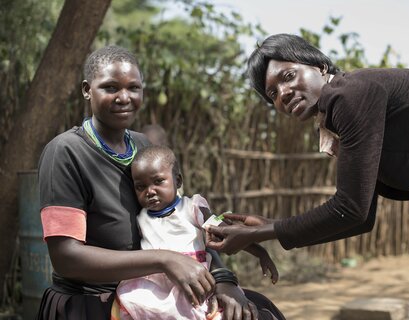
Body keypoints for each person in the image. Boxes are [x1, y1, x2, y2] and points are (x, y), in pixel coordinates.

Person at [205, 33, 409, 319]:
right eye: (272, 94)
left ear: (320, 67)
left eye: (288, 76)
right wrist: (270, 226)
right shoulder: (342, 111)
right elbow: (361, 218)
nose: (283, 93)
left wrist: (261, 232)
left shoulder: (351, 95)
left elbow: (350, 208)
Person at [36, 45, 285, 320]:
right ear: (87, 90)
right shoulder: (66, 152)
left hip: (161, 290)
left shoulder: (145, 148)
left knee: (258, 311)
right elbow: (65, 258)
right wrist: (164, 260)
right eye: (110, 88)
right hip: (94, 300)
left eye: (134, 88)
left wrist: (224, 279)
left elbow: (185, 222)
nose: (124, 97)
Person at [112, 145, 279, 319]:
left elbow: (227, 232)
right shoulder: (140, 217)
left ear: (178, 181)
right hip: (156, 288)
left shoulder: (192, 208)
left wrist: (260, 252)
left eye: (158, 181)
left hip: (196, 282)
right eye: (140, 187)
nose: (150, 191)